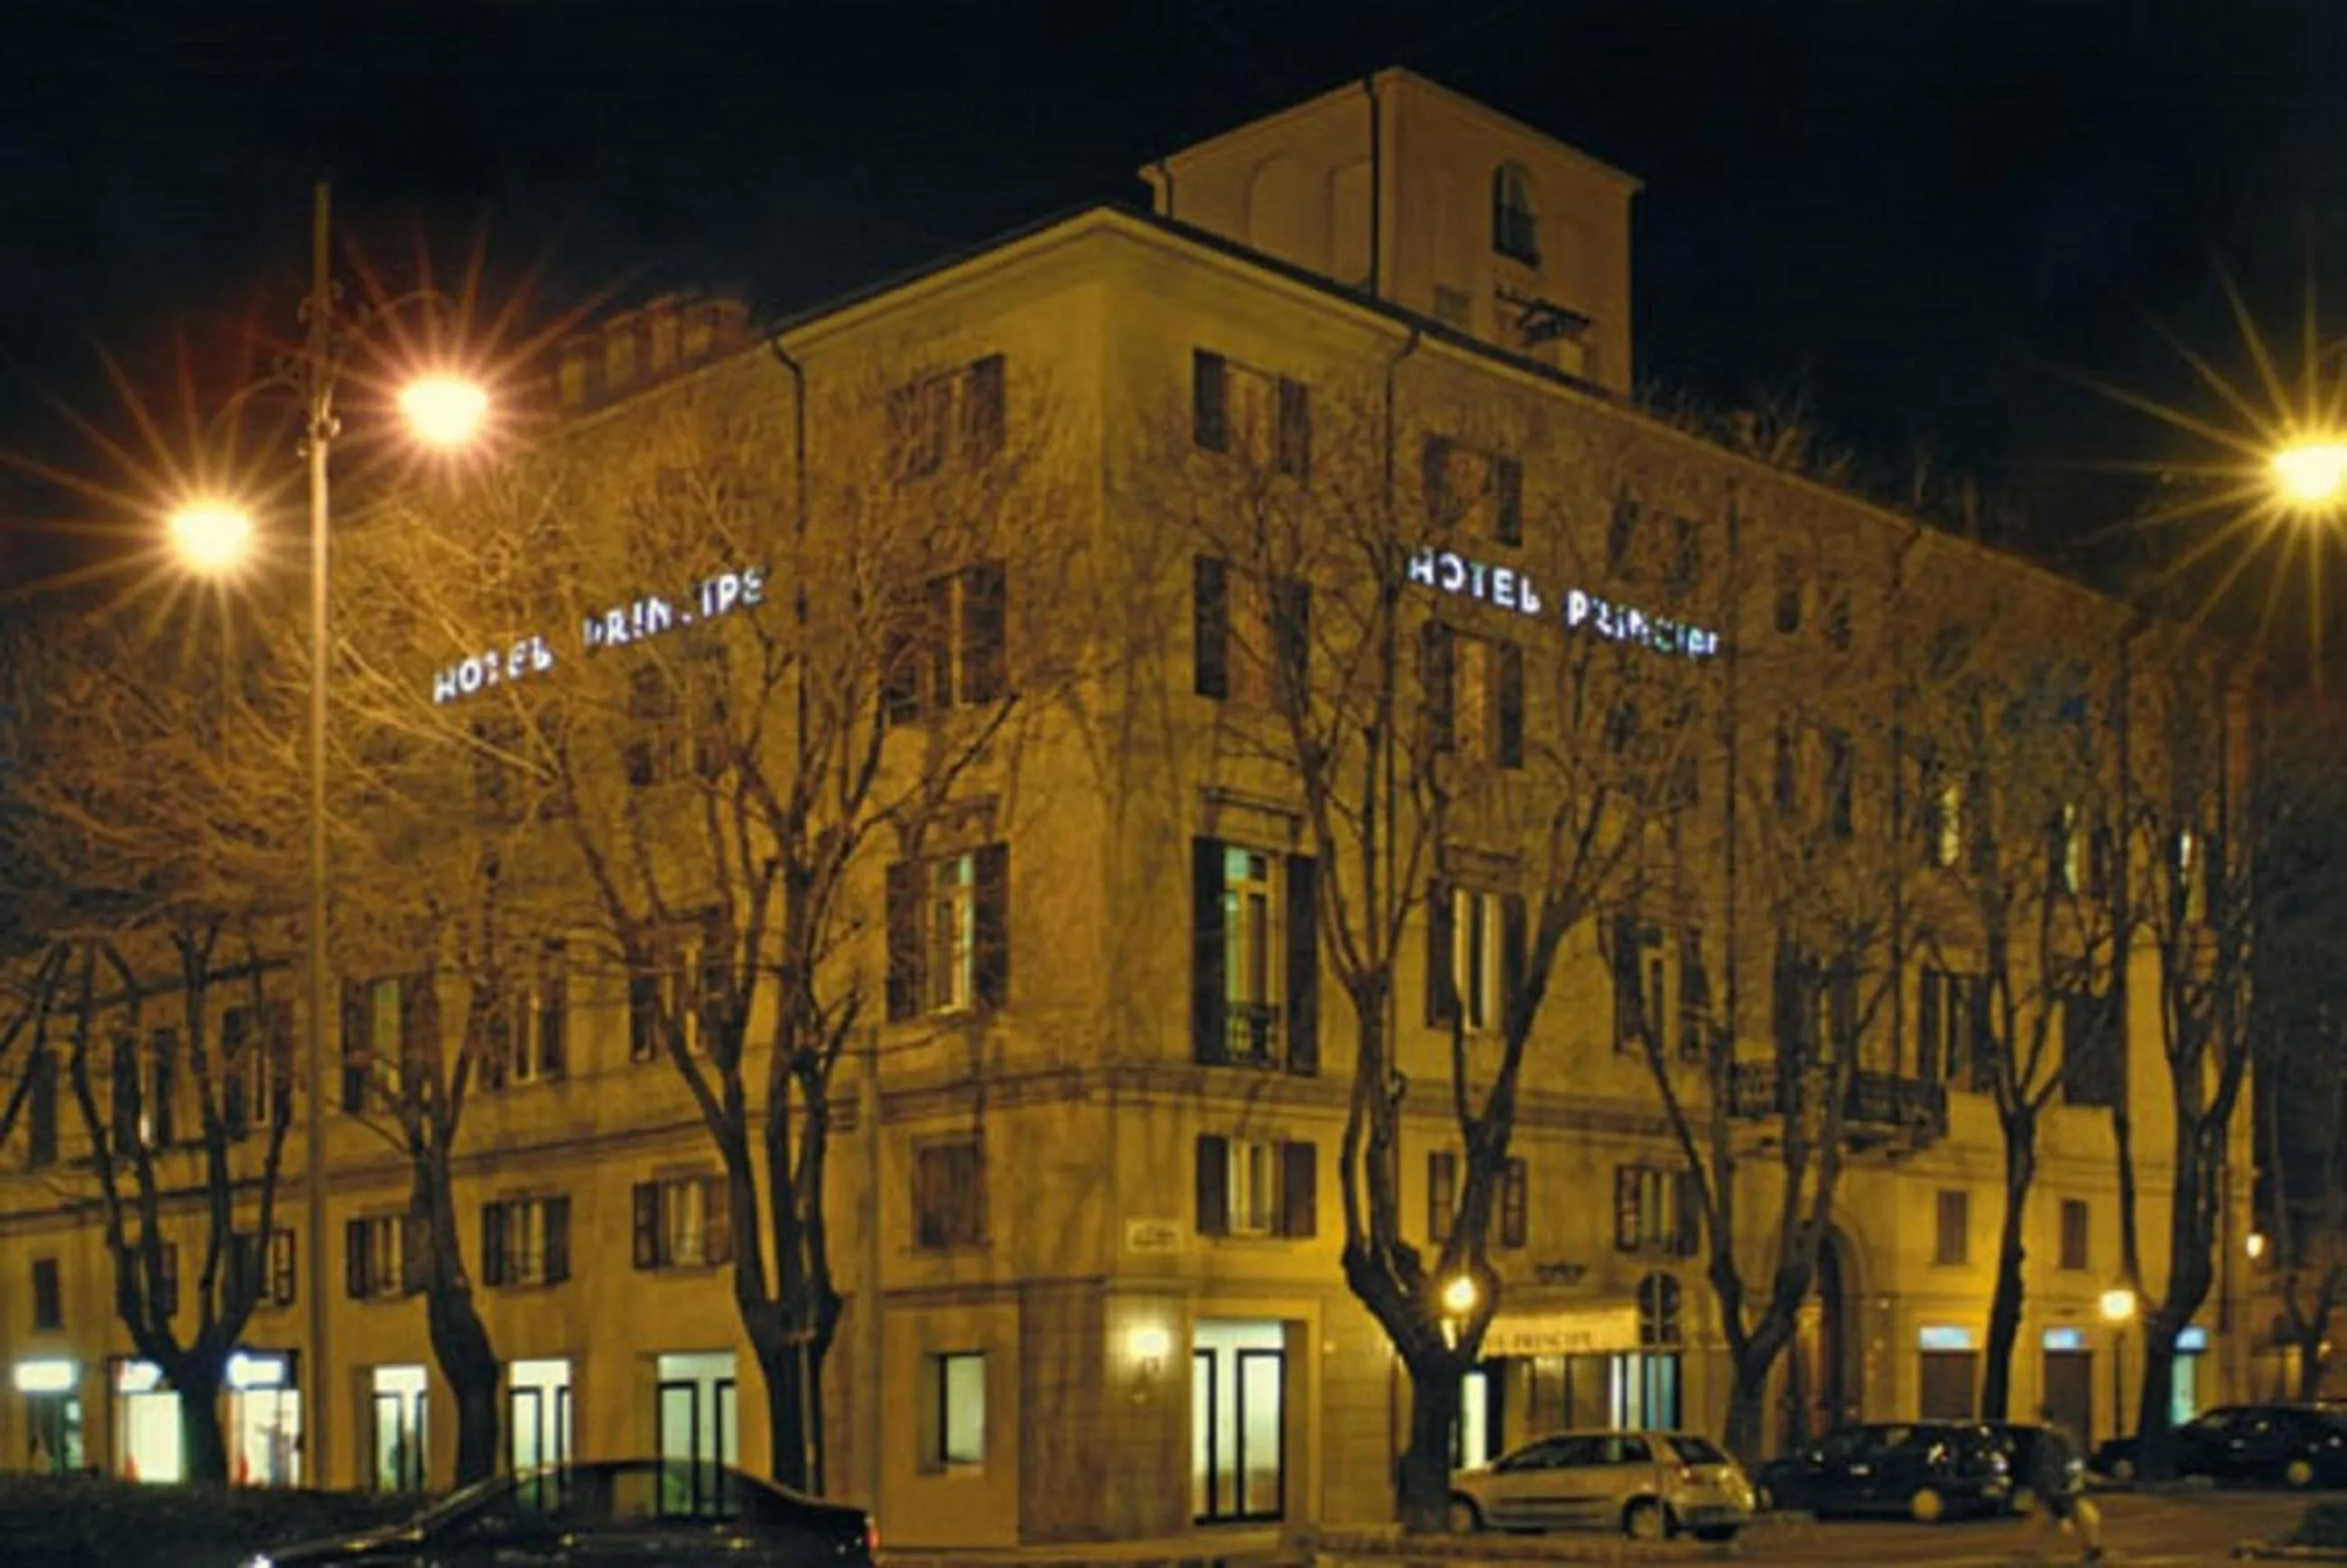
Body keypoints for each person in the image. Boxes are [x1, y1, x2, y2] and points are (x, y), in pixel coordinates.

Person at [2026, 1406, 2104, 1563]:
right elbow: (2074, 1460)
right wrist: (2078, 1477)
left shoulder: (2048, 1438)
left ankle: (2029, 1554)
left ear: (2039, 1418)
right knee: (2081, 1513)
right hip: (2067, 1483)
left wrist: (2050, 1485)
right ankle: (2092, 1546)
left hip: (2057, 1486)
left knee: (2043, 1519)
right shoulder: (2066, 1435)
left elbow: (2047, 1466)